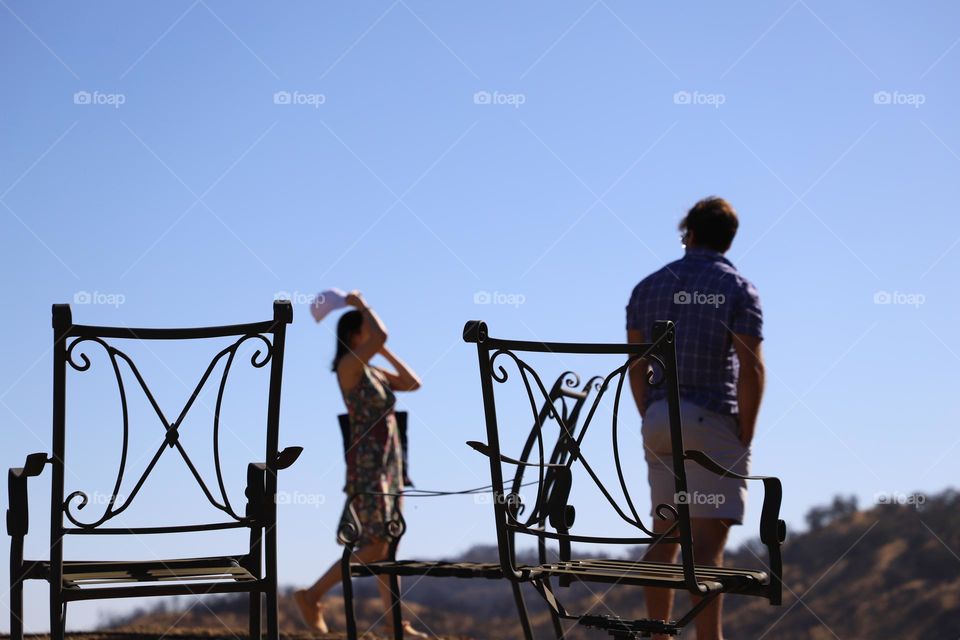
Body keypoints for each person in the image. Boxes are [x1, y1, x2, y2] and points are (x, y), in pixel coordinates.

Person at [626, 197, 766, 640]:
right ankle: (709, 638)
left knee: (665, 535)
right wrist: (746, 430)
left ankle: (658, 635)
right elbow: (751, 368)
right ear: (729, 237)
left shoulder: (647, 287)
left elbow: (635, 365)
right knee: (706, 544)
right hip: (711, 419)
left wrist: (650, 413)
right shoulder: (738, 288)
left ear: (688, 231)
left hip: (660, 417)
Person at [295, 290, 427, 637]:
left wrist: (381, 349)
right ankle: (312, 595)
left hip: (388, 469)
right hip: (368, 469)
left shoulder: (371, 370)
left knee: (387, 546)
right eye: (366, 328)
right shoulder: (349, 367)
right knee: (376, 547)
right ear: (357, 333)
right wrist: (361, 305)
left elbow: (413, 382)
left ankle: (395, 623)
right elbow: (382, 334)